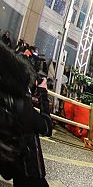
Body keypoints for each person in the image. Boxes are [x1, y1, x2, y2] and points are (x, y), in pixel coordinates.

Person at [0, 42, 53, 186]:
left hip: (16, 172)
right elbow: (47, 127)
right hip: (31, 173)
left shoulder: (6, 102)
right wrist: (42, 93)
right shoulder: (21, 105)